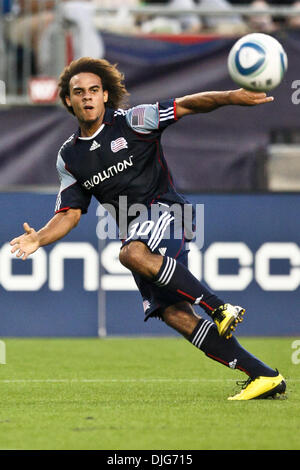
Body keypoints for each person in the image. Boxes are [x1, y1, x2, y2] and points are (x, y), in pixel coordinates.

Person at [10, 57, 286, 400]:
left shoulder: (134, 121)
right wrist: (40, 237)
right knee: (173, 313)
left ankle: (218, 307)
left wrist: (232, 96)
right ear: (68, 100)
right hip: (136, 228)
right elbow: (70, 213)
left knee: (131, 253)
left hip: (168, 212)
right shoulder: (69, 157)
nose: (87, 98)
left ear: (106, 95)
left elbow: (187, 105)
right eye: (78, 92)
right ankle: (263, 376)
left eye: (94, 90)